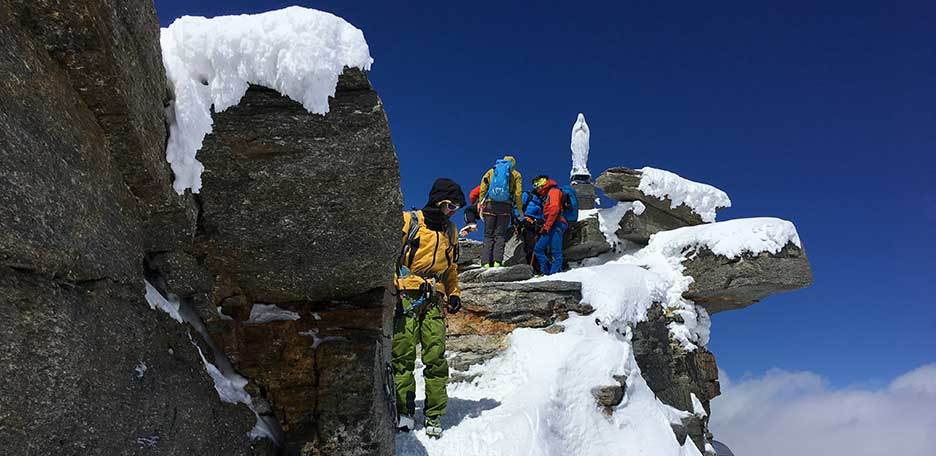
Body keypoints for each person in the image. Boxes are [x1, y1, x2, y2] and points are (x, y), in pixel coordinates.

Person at [392, 178, 466, 439]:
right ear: (437, 200)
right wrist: (395, 286)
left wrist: (454, 293)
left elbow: (452, 268)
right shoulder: (409, 221)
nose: (453, 211)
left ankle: (434, 414)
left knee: (435, 358)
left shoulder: (451, 231)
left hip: (434, 299)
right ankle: (404, 412)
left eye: (457, 207)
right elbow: (391, 255)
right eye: (450, 205)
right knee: (402, 358)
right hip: (406, 297)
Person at [478, 155, 523, 267]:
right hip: (505, 206)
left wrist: (481, 202)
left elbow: (483, 187)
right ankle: (497, 262)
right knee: (500, 235)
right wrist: (519, 209)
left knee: (488, 235)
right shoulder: (516, 174)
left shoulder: (492, 170)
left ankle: (485, 263)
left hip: (490, 204)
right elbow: (518, 193)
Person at [531, 175, 568, 275]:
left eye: (536, 184)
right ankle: (547, 272)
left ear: (542, 183)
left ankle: (554, 275)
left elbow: (555, 209)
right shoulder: (547, 194)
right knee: (538, 249)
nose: (536, 188)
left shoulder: (554, 191)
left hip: (557, 223)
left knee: (556, 251)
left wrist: (546, 226)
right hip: (551, 224)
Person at [517, 187, 545, 272]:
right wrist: (522, 220)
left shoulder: (541, 201)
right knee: (530, 247)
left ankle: (539, 268)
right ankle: (532, 268)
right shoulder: (527, 195)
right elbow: (517, 208)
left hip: (537, 224)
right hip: (527, 223)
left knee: (539, 247)